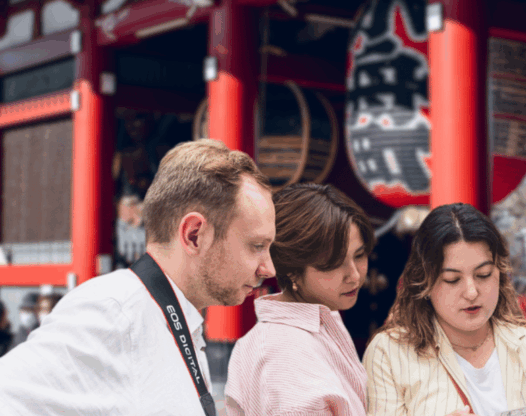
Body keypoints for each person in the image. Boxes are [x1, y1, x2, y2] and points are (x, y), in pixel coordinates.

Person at [0, 139, 276, 415]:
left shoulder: (173, 321)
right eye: (257, 246)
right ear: (194, 235)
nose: (268, 268)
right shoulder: (116, 315)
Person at [364, 203, 526, 416]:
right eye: (452, 280)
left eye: (484, 274)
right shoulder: (389, 354)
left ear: (500, 273)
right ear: (424, 282)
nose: (471, 292)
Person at [225, 183, 375, 416]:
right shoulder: (284, 351)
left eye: (359, 255)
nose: (354, 275)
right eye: (334, 264)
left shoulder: (323, 319)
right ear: (293, 270)